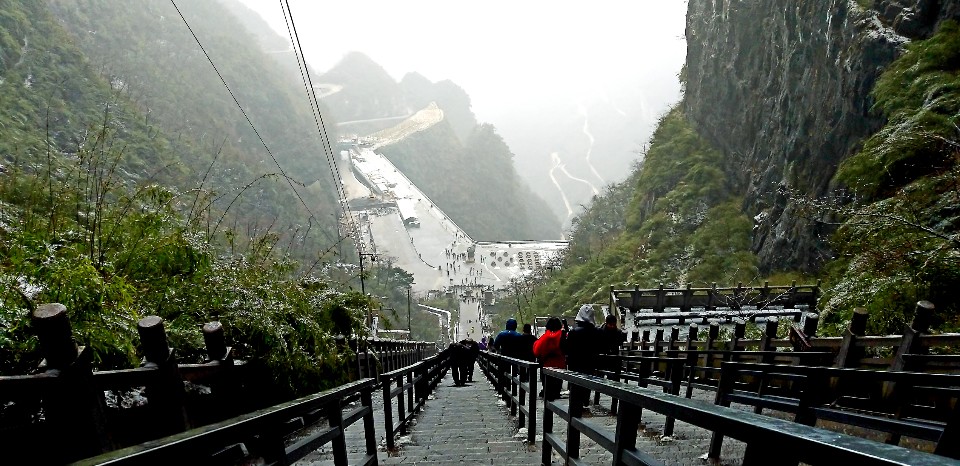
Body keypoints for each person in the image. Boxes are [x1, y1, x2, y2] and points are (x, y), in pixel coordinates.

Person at [561, 304, 604, 410]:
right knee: (587, 386)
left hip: (575, 364)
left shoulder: (574, 332)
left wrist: (563, 334)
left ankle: (576, 409)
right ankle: (585, 402)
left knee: (576, 388)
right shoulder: (598, 332)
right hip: (590, 364)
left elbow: (565, 349)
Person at [533, 317, 566, 400]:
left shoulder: (545, 337)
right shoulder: (563, 336)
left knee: (547, 390)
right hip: (560, 365)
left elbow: (536, 351)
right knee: (557, 390)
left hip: (546, 365)